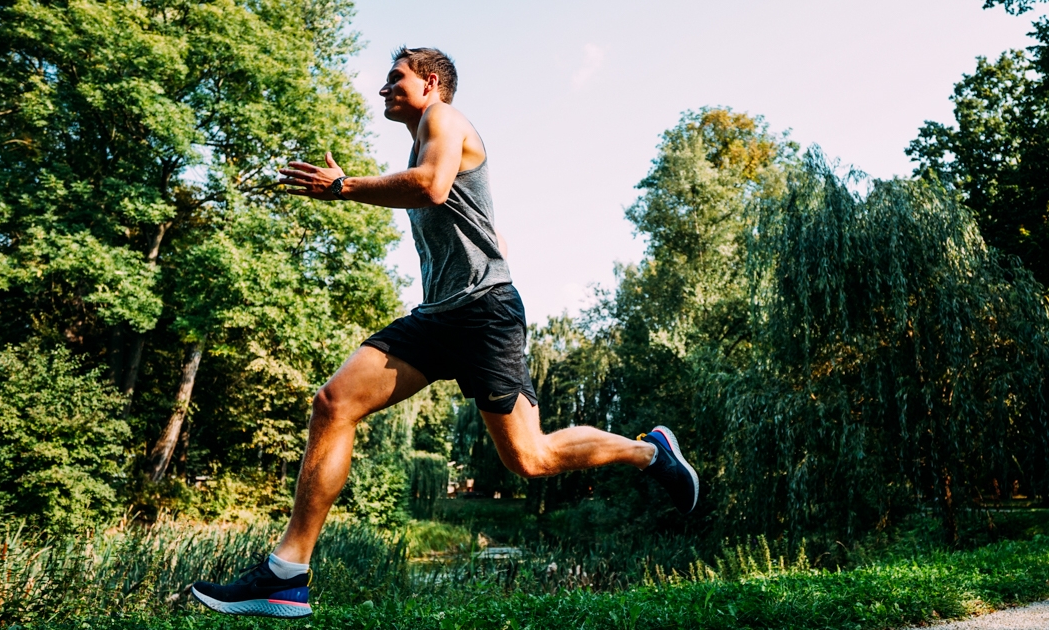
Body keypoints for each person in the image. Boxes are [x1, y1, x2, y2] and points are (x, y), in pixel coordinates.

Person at [189, 46, 699, 619]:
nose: (384, 89)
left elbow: (431, 186)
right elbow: (477, 223)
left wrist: (342, 187)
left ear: (430, 82)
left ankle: (647, 452)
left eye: (395, 78)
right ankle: (286, 575)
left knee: (529, 459)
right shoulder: (425, 141)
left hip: (483, 314)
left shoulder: (445, 119)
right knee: (334, 403)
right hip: (439, 316)